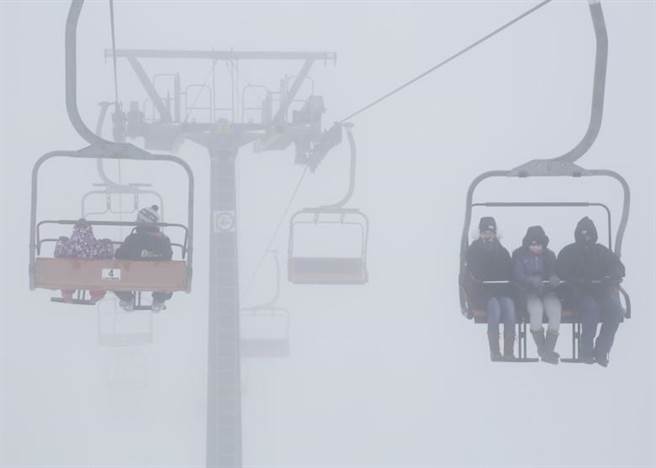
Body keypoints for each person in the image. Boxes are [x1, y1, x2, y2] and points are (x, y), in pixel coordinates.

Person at [557, 217, 625, 366]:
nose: (586, 238)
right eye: (582, 235)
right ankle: (585, 350)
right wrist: (576, 280)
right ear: (577, 235)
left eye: (588, 235)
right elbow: (560, 272)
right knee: (591, 309)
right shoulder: (569, 252)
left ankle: (601, 350)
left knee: (615, 310)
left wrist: (613, 274)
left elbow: (617, 266)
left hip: (600, 292)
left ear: (594, 235)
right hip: (577, 294)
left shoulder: (601, 251)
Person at [465, 216, 516, 361]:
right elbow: (476, 271)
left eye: (491, 232)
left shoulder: (502, 251)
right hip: (482, 292)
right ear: (480, 233)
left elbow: (508, 270)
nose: (488, 235)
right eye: (485, 232)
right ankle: (495, 350)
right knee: (494, 307)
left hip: (500, 289)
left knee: (509, 306)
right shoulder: (473, 250)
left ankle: (509, 351)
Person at [512, 226, 562, 364]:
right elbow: (517, 275)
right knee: (536, 310)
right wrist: (529, 281)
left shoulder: (549, 255)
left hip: (547, 292)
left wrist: (553, 278)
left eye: (539, 244)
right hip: (527, 293)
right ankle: (543, 348)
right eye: (532, 244)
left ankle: (547, 349)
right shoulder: (519, 255)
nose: (536, 247)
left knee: (555, 310)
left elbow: (555, 271)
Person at [114, 205, 173, 312]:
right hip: (157, 278)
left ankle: (126, 298)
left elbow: (120, 256)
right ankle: (159, 300)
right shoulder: (164, 241)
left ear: (142, 221)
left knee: (113, 276)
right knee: (168, 276)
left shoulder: (133, 239)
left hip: (131, 277)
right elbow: (168, 258)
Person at [54, 219, 114, 303]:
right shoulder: (95, 246)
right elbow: (108, 255)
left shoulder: (70, 246)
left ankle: (67, 293)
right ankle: (96, 295)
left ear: (74, 229)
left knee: (67, 269)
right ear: (90, 230)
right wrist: (107, 243)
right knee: (100, 270)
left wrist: (61, 241)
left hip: (73, 273)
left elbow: (58, 254)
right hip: (92, 274)